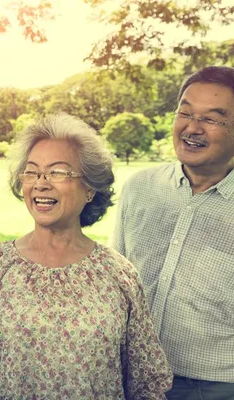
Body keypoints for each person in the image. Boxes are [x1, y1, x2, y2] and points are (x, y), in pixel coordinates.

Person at [0, 114, 172, 399]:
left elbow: (145, 383)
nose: (41, 183)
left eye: (58, 172)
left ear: (90, 188)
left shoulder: (118, 273)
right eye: (32, 172)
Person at [113, 66, 234, 400]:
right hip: (132, 374)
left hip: (216, 386)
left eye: (212, 118)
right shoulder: (140, 187)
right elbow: (117, 281)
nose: (192, 128)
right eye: (185, 112)